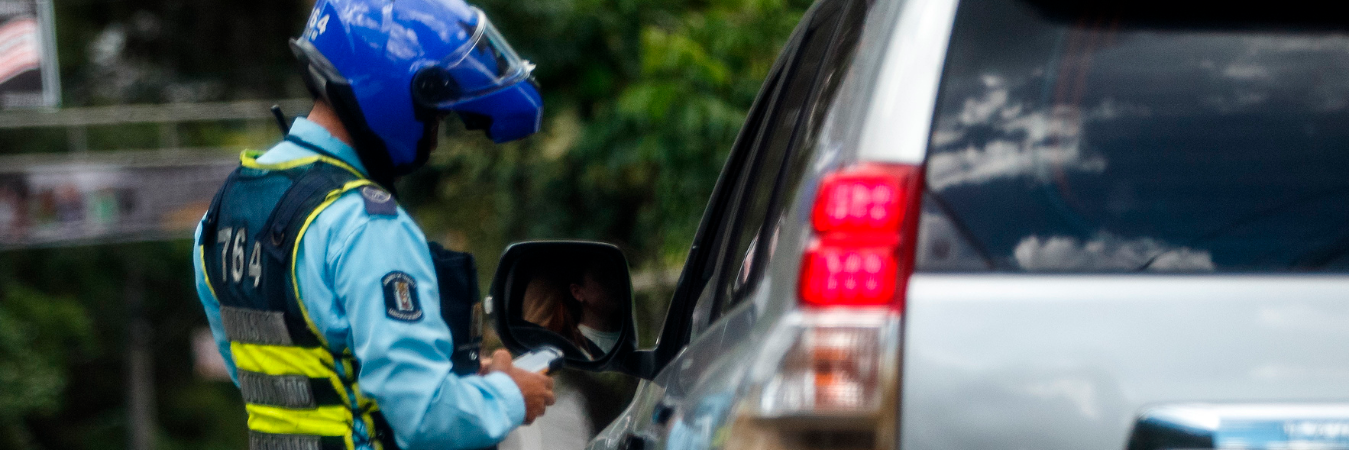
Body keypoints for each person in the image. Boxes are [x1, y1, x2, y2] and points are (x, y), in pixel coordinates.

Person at [189, 1, 554, 449]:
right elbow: (423, 419)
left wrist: (453, 381)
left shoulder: (226, 207)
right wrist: (509, 394)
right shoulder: (365, 225)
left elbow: (268, 369)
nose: (436, 138)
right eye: (436, 115)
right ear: (393, 91)